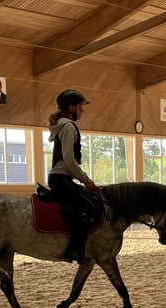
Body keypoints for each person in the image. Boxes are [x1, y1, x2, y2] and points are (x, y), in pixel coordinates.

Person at [48, 89, 99, 263]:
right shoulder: (69, 127)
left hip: (61, 177)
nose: (82, 110)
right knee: (90, 207)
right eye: (80, 106)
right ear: (71, 107)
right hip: (61, 178)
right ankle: (73, 250)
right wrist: (87, 180)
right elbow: (69, 159)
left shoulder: (63, 126)